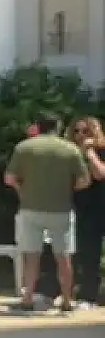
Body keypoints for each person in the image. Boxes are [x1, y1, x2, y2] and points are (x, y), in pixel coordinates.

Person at [4, 112, 89, 313]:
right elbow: (84, 180)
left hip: (30, 207)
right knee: (63, 257)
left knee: (32, 257)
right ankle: (67, 301)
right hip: (61, 208)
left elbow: (9, 178)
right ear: (58, 127)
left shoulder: (24, 148)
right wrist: (68, 189)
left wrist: (22, 191)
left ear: (38, 126)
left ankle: (27, 298)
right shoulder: (70, 149)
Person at [68, 116, 105, 308]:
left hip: (102, 203)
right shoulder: (71, 154)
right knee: (88, 253)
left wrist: (90, 153)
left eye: (86, 131)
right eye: (77, 131)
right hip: (84, 208)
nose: (81, 135)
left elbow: (100, 173)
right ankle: (88, 295)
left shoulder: (101, 151)